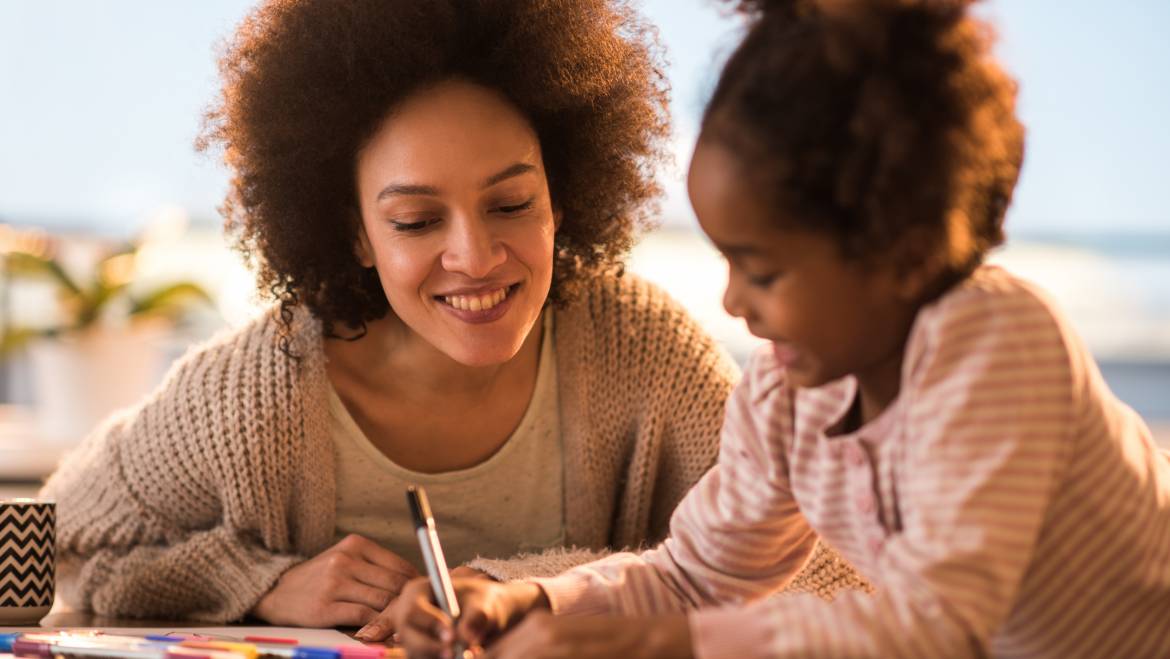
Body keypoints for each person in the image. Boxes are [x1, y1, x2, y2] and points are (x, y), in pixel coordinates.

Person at [40, 0, 868, 629]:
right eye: (415, 221)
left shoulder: (640, 350)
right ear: (355, 234)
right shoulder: (260, 394)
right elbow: (65, 544)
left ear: (563, 197)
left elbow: (840, 569)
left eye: (511, 203)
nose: (474, 256)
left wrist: (534, 590)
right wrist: (259, 586)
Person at [390, 0, 1170, 656]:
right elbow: (690, 577)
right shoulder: (790, 390)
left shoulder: (998, 343)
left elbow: (937, 626)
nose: (733, 301)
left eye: (762, 270)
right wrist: (535, 602)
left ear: (904, 251)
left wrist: (667, 644)